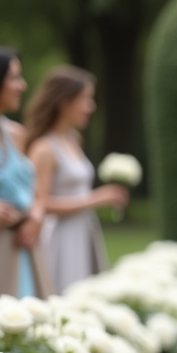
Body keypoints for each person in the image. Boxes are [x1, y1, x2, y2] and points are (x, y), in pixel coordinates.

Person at [23, 65, 126, 293]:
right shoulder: (44, 149)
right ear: (64, 102)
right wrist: (96, 199)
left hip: (84, 230)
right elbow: (41, 203)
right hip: (60, 238)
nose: (91, 107)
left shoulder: (73, 140)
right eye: (86, 99)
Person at [0, 46, 51, 299]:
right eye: (14, 78)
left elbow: (37, 192)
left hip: (24, 249)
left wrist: (36, 217)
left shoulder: (17, 134)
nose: (23, 86)